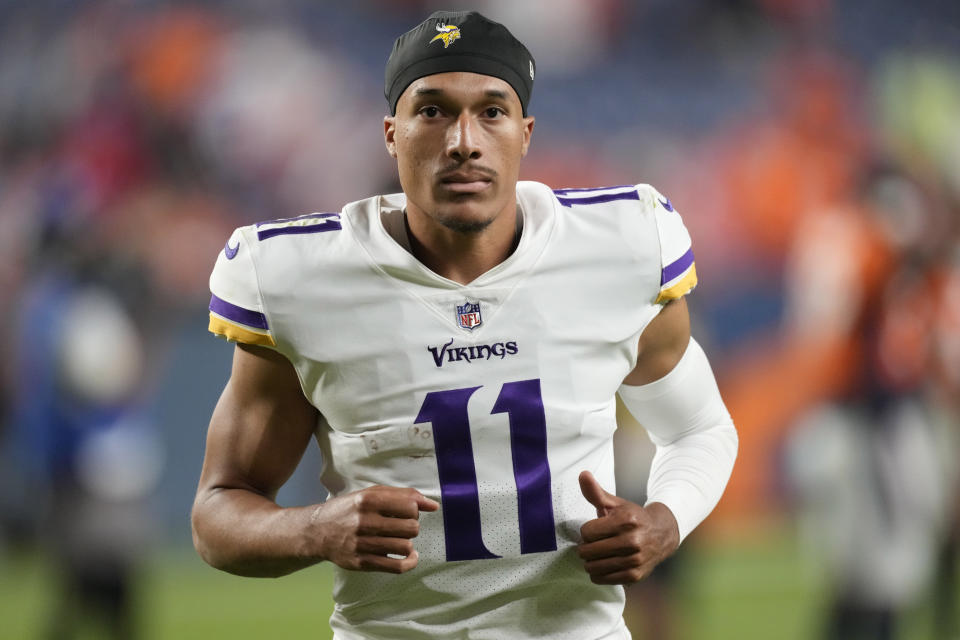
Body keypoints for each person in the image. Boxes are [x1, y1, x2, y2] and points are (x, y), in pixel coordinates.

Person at [191, 10, 737, 640]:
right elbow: (217, 515)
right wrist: (316, 528)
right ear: (391, 133)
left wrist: (666, 521)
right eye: (433, 111)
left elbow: (700, 428)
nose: (463, 141)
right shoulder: (298, 280)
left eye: (492, 112)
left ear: (525, 133)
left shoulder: (620, 246)